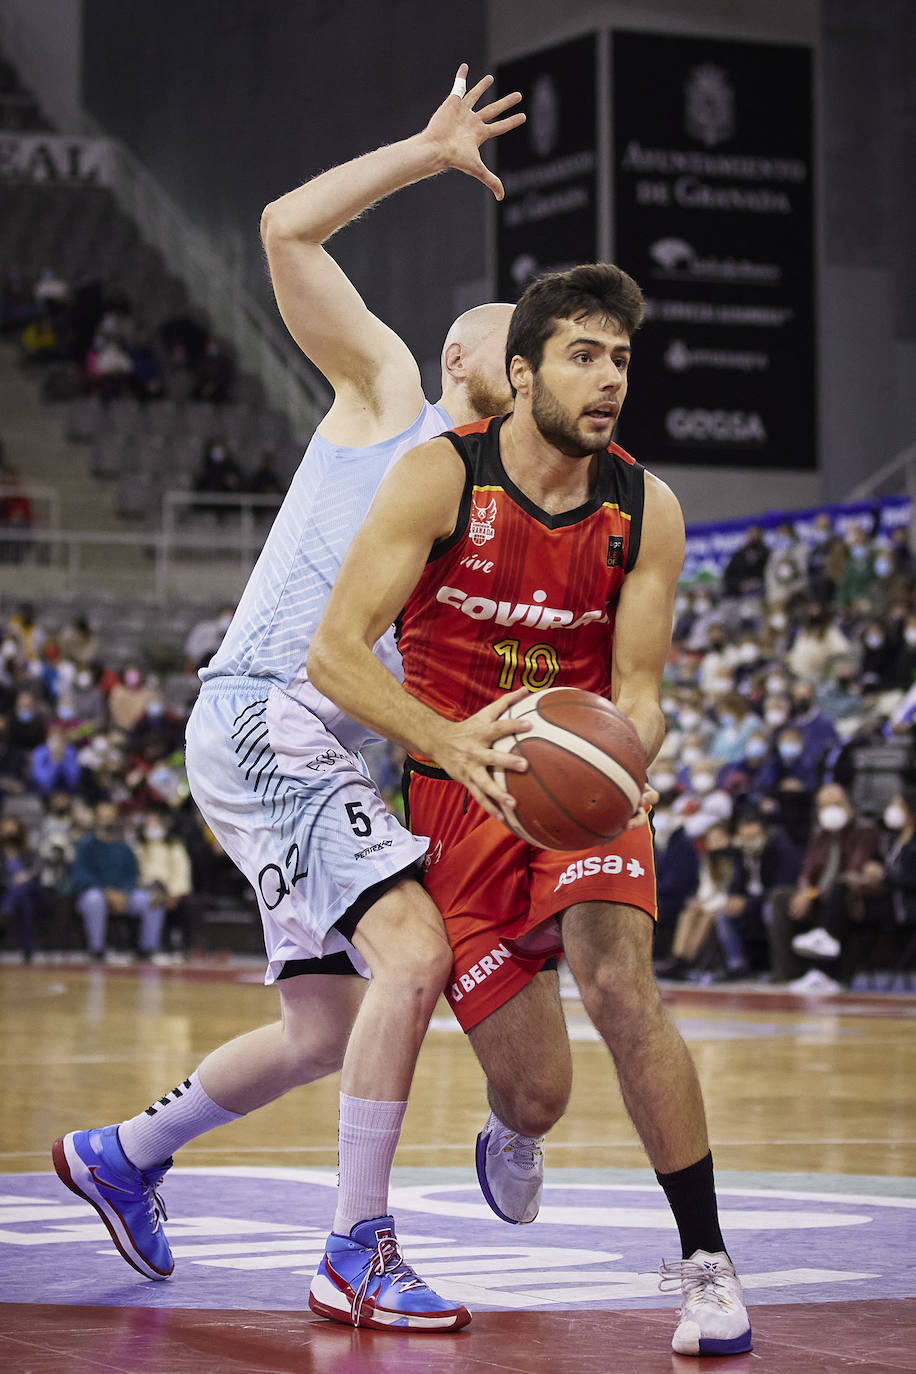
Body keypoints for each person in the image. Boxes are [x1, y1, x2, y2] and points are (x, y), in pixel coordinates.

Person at [53, 64, 525, 1335]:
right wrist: (427, 153)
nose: (528, 355)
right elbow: (282, 226)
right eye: (511, 334)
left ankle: (122, 1155)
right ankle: (355, 1252)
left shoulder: (483, 514)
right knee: (412, 956)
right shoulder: (390, 402)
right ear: (461, 356)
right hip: (270, 712)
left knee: (323, 1026)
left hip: (311, 742)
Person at [308, 263, 751, 1356]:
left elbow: (638, 692)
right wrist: (453, 744)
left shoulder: (646, 506)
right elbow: (333, 658)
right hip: (457, 792)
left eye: (622, 361)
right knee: (542, 1092)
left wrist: (629, 756)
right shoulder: (435, 480)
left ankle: (707, 1268)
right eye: (583, 356)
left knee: (618, 978)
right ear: (521, 373)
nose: (608, 382)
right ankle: (512, 1126)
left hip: (580, 782)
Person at [70, 801, 166, 961]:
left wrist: (124, 893)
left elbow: (132, 875)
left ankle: (147, 949)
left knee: (153, 899)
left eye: (111, 817)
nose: (108, 821)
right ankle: (97, 950)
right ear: (96, 819)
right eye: (104, 817)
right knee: (94, 900)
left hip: (124, 896)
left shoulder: (125, 848)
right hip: (94, 895)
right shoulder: (85, 845)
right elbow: (81, 875)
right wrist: (106, 892)